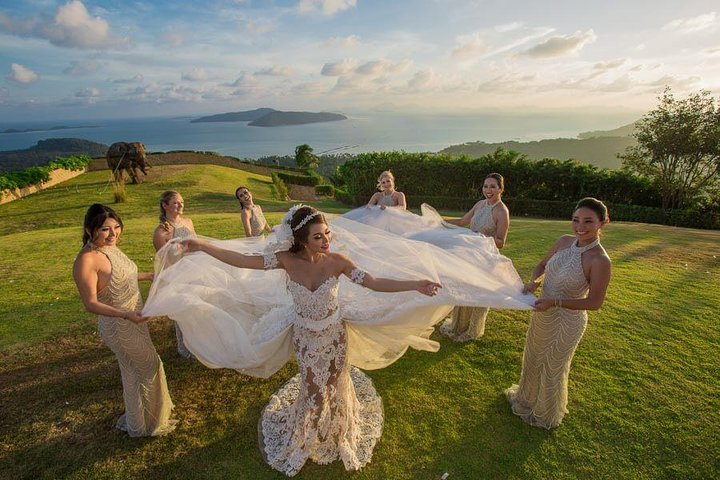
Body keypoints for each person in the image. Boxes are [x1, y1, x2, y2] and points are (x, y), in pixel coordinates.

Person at [143, 205, 533, 476]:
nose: (327, 239)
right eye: (318, 236)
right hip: (306, 338)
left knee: (335, 381)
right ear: (301, 239)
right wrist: (202, 246)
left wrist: (416, 283)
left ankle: (338, 425)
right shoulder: (284, 261)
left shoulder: (340, 262)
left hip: (335, 332)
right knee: (313, 388)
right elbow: (242, 260)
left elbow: (376, 283)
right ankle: (308, 435)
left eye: (327, 233)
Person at [505, 197, 612, 429]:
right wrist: (534, 281)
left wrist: (555, 302)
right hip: (543, 314)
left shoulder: (600, 260)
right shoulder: (564, 241)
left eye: (588, 221)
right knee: (533, 359)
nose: (580, 227)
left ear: (603, 223)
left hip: (567, 321)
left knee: (553, 367)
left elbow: (594, 303)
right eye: (575, 220)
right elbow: (542, 265)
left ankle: (546, 414)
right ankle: (527, 399)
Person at [72, 203, 175, 437]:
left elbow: (117, 275)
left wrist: (147, 275)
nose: (113, 234)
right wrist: (125, 314)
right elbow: (90, 303)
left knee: (131, 370)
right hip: (119, 325)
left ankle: (140, 422)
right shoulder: (86, 260)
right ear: (90, 230)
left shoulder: (110, 248)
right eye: (105, 229)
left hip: (135, 319)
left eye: (116, 227)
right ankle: (151, 421)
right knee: (150, 365)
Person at [440, 173, 510, 342]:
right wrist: (441, 221)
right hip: (469, 255)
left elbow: (501, 242)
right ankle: (458, 325)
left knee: (477, 293)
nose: (488, 190)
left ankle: (472, 329)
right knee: (464, 288)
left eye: (493, 186)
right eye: (486, 186)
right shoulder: (479, 204)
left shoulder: (502, 211)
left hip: (486, 259)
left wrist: (481, 237)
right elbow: (464, 221)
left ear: (501, 189)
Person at [152, 190, 196, 359]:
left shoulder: (188, 222)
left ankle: (200, 341)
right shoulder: (161, 232)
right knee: (183, 310)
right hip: (177, 274)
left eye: (182, 202)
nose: (180, 205)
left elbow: (196, 243)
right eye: (176, 203)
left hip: (195, 267)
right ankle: (185, 347)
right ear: (165, 205)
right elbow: (162, 260)